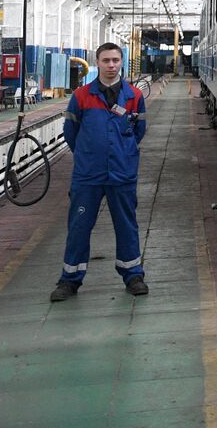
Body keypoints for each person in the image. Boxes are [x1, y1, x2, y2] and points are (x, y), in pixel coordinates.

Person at [50, 42, 149, 301]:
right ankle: (69, 279)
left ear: (121, 62)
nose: (111, 65)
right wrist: (88, 155)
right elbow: (71, 134)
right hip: (88, 175)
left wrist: (121, 152)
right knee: (79, 226)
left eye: (115, 60)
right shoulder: (81, 96)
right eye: (106, 60)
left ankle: (133, 275)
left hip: (122, 174)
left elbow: (138, 132)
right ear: (97, 63)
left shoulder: (135, 97)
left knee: (127, 225)